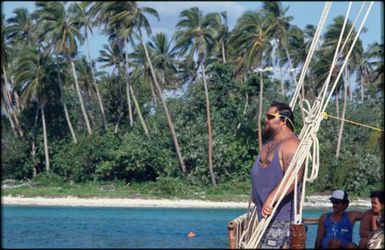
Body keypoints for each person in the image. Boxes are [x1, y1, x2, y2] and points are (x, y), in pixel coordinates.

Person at [250, 101, 302, 248]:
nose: (265, 119)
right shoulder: (268, 143)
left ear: (283, 121)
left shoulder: (291, 144)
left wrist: (271, 199)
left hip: (281, 218)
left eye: (270, 116)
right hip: (263, 217)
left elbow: (293, 176)